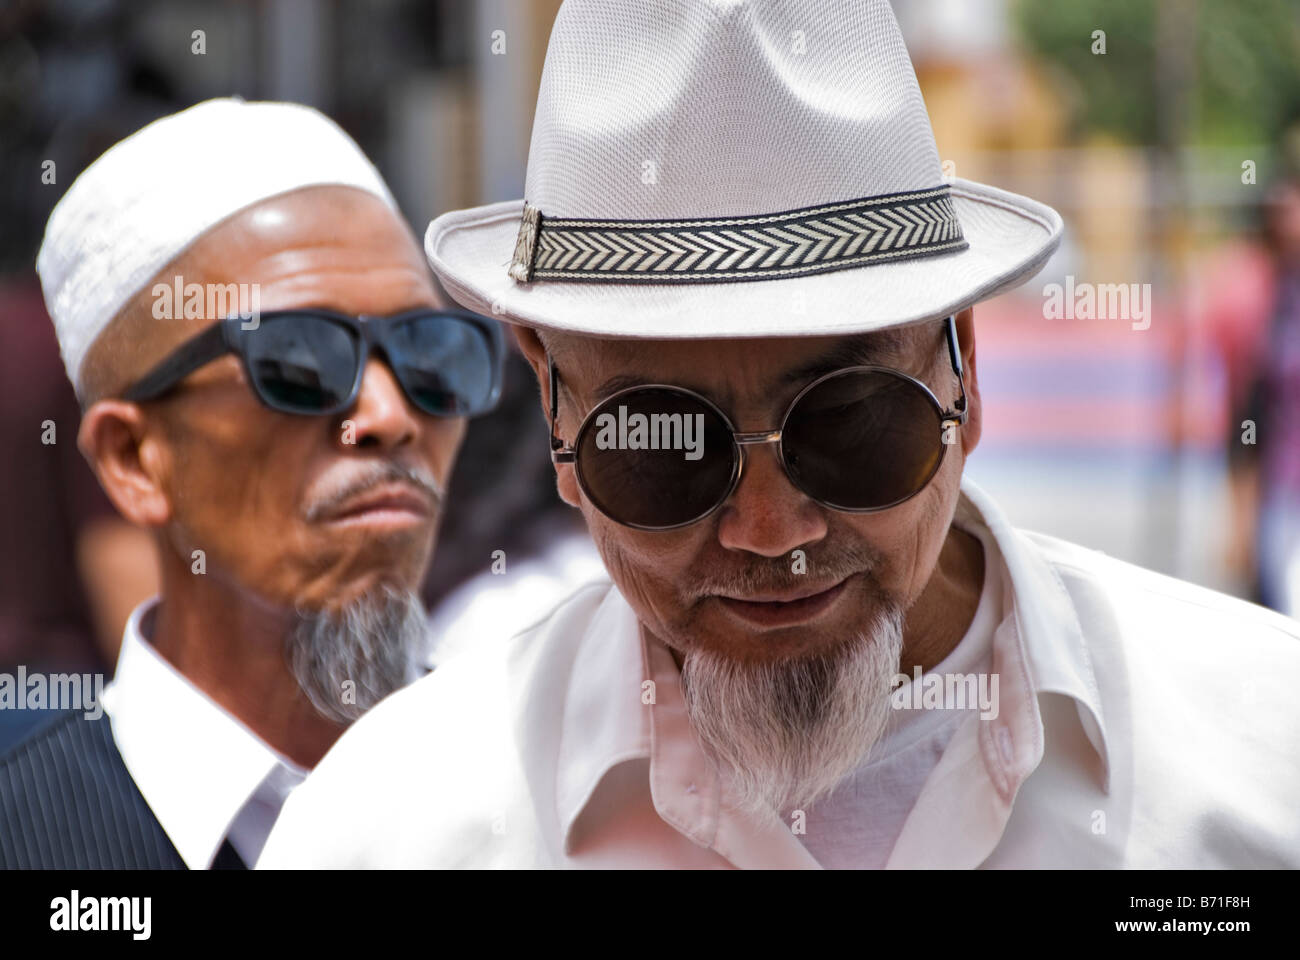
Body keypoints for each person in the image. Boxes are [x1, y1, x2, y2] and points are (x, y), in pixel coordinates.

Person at [258, 0, 1300, 869]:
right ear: (552, 405)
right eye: (664, 443)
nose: (768, 531)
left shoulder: (1262, 755)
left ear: (964, 371)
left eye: (847, 426)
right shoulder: (390, 829)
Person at [0, 98, 503, 869]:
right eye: (301, 362)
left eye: (430, 351)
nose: (390, 413)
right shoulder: (29, 838)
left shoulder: (561, 799)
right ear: (135, 459)